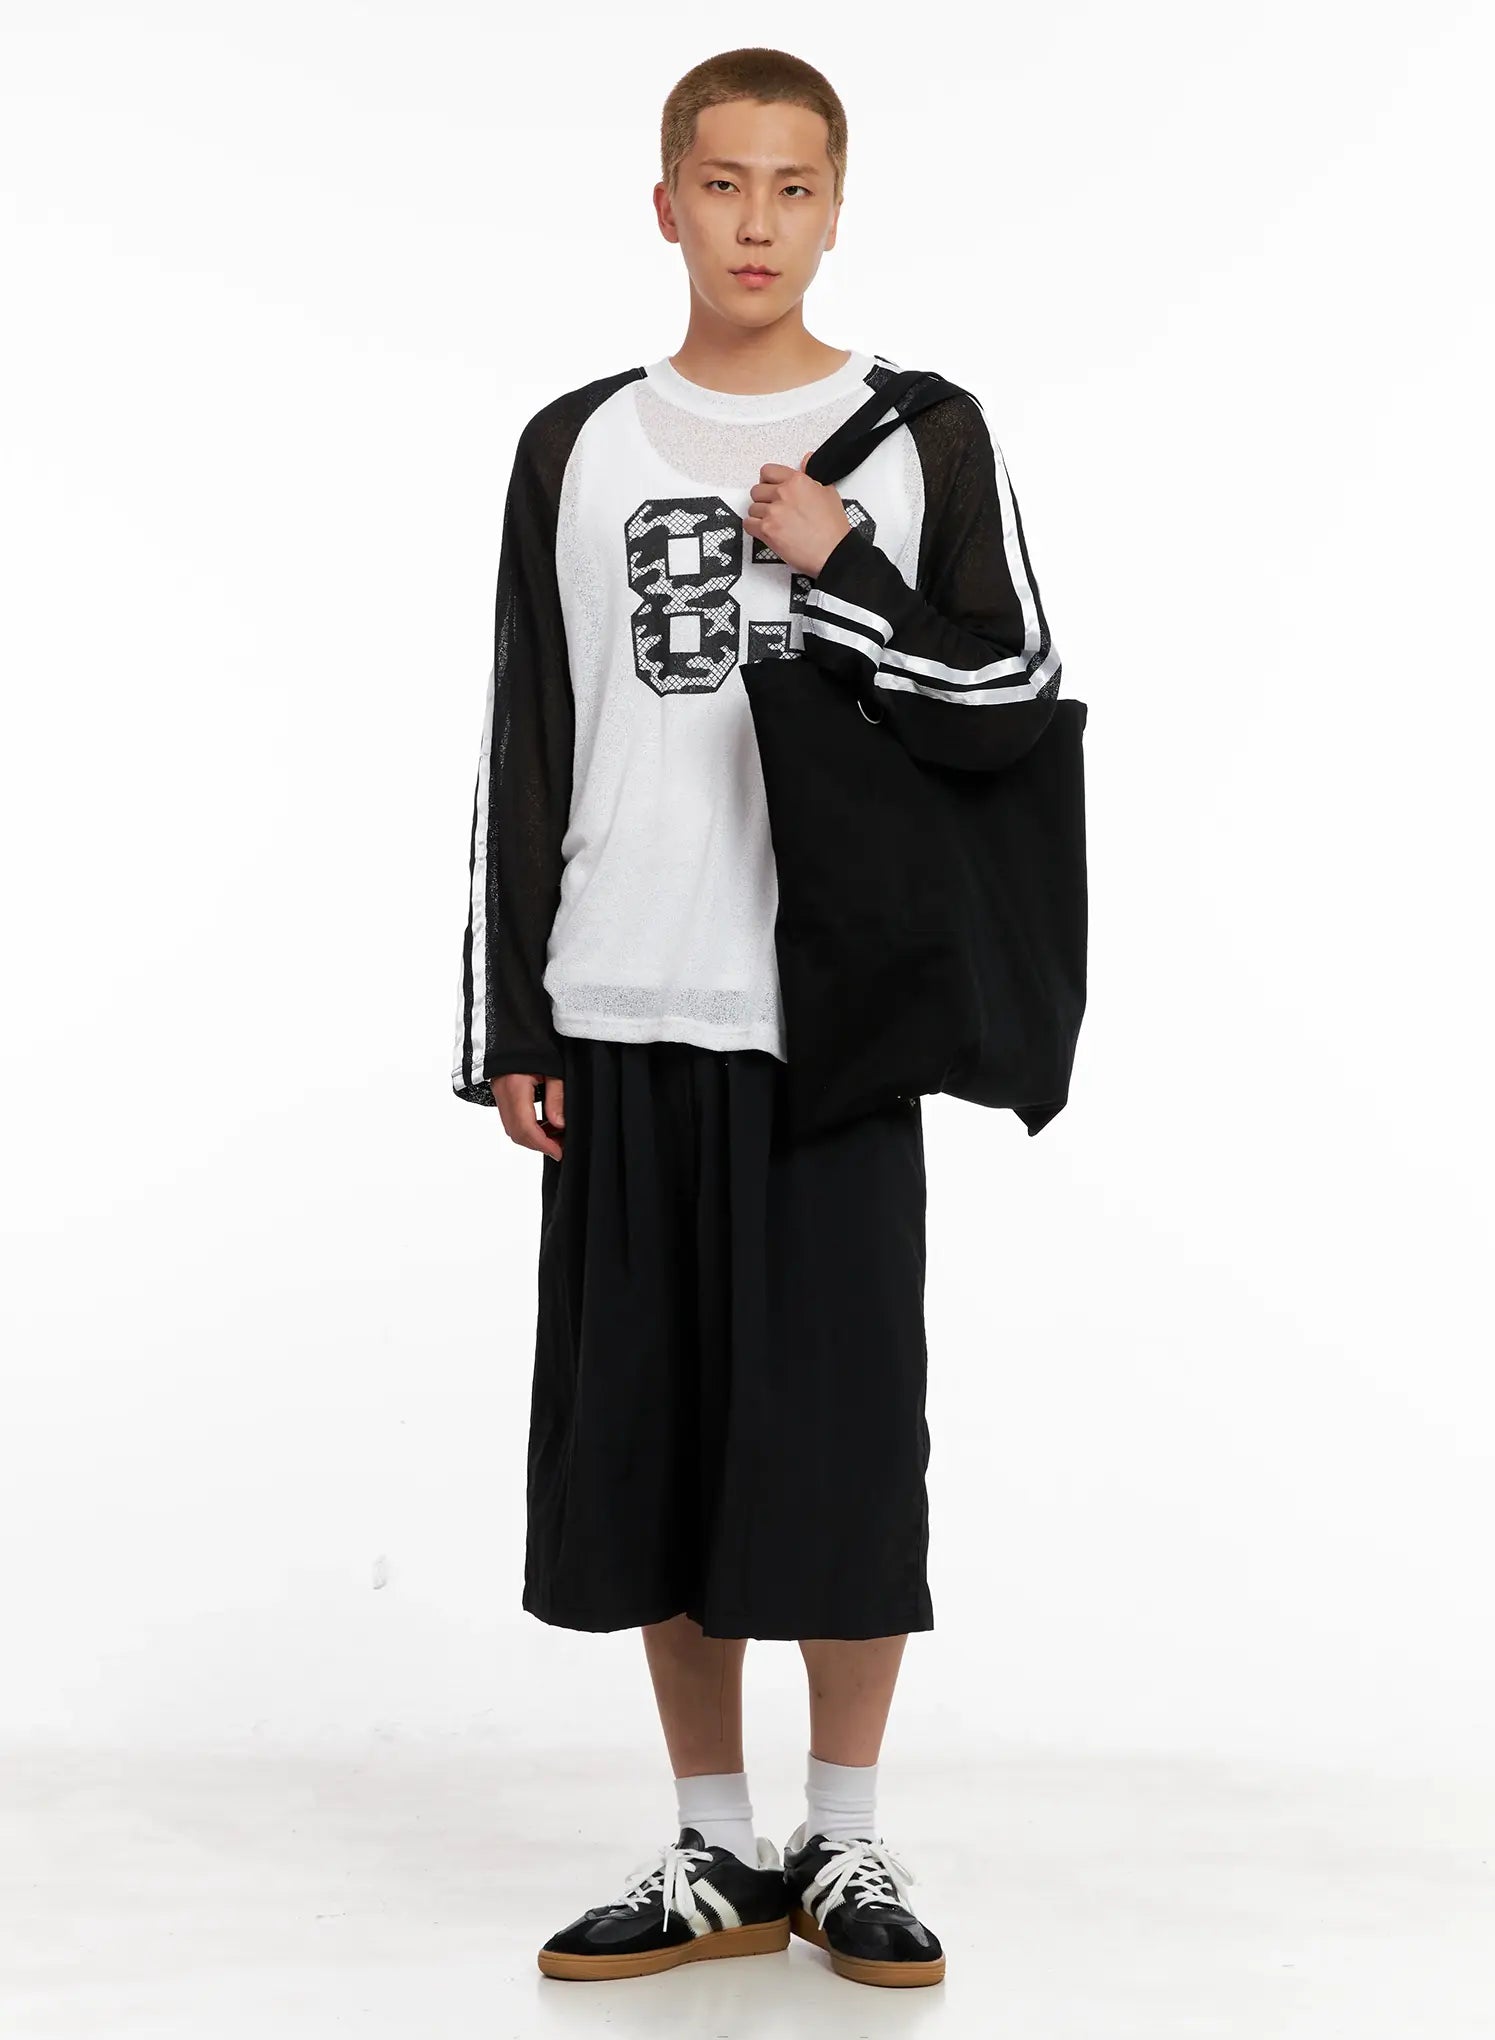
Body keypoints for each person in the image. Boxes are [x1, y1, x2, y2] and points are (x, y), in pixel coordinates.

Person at [451, 45, 1061, 1990]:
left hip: (825, 1029)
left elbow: (1015, 692)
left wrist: (843, 564)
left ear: (836, 209)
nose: (756, 223)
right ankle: (716, 1847)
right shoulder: (575, 444)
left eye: (794, 188)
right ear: (666, 204)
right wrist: (515, 1022)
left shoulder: (918, 434)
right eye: (723, 184)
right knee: (656, 1446)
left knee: (843, 1447)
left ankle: (846, 1838)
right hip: (621, 1009)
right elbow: (527, 734)